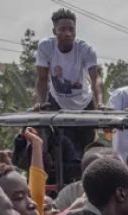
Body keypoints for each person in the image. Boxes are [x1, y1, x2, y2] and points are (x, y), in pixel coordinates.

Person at [35, 9, 103, 157]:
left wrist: (99, 102)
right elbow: (42, 79)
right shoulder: (46, 47)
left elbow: (95, 78)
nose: (67, 33)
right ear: (54, 31)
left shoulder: (86, 49)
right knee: (63, 147)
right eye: (62, 29)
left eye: (71, 29)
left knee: (87, 148)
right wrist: (40, 103)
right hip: (58, 102)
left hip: (84, 104)